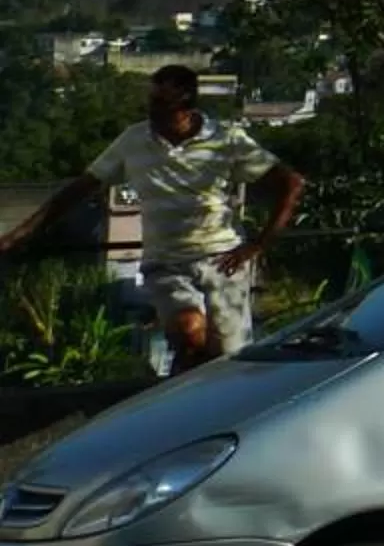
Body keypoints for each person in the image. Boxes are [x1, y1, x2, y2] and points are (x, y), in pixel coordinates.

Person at [0, 64, 307, 372]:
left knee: (229, 356)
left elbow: (290, 183)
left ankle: (191, 394)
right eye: (152, 101)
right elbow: (81, 188)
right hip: (165, 262)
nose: (153, 111)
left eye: (162, 103)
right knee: (188, 329)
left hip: (223, 260)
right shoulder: (134, 140)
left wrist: (258, 244)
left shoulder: (226, 140)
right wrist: (20, 234)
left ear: (186, 105)